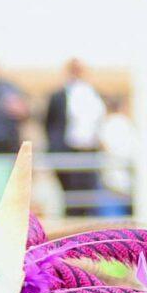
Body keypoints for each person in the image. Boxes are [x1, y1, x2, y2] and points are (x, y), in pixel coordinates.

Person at [43, 56, 108, 214]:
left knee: (88, 198)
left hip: (89, 152)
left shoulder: (93, 93)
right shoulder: (58, 96)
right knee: (71, 200)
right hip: (68, 152)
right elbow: (50, 124)